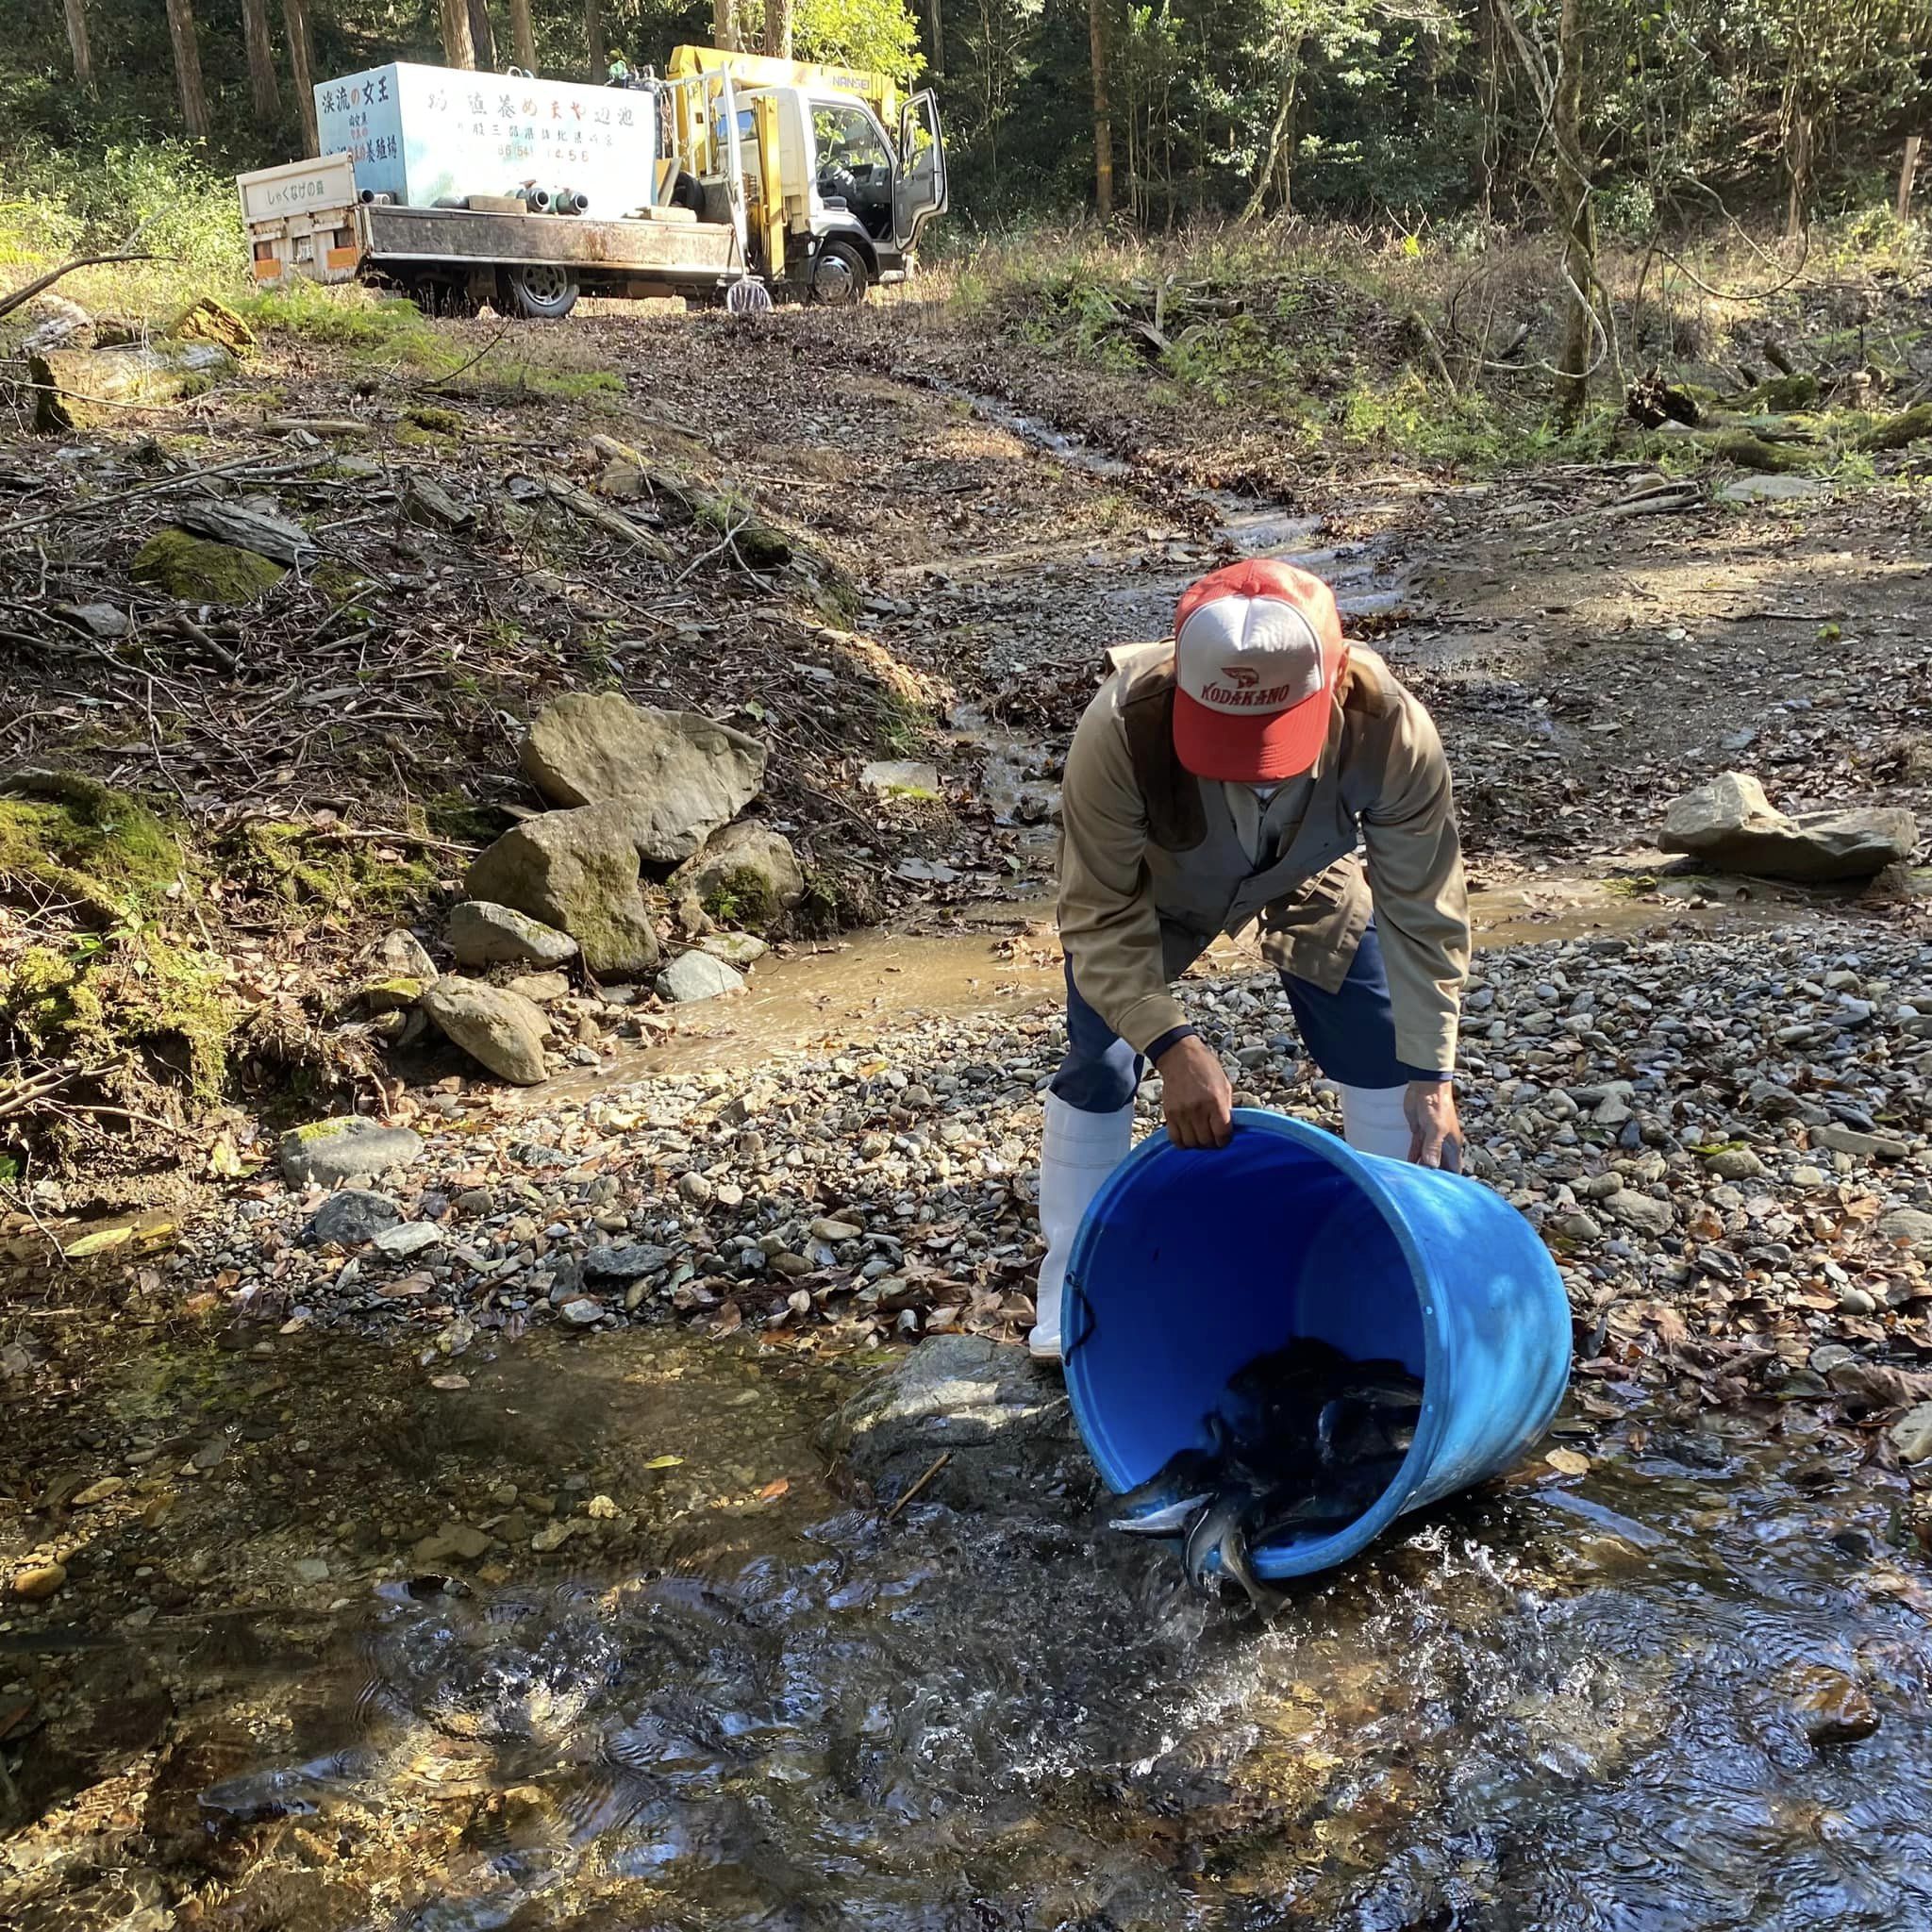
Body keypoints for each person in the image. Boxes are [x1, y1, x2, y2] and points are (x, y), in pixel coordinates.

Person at [1029, 558, 1471, 1363]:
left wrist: (1433, 1076)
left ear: (1333, 677)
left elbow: (1424, 906)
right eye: (1226, 740)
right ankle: (1073, 1288)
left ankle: (1397, 1262)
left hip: (1312, 866)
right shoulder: (1121, 725)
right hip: (1159, 883)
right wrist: (1173, 1043)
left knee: (1384, 1036)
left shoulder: (1391, 726)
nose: (1247, 765)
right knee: (1103, 1053)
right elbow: (1096, 915)